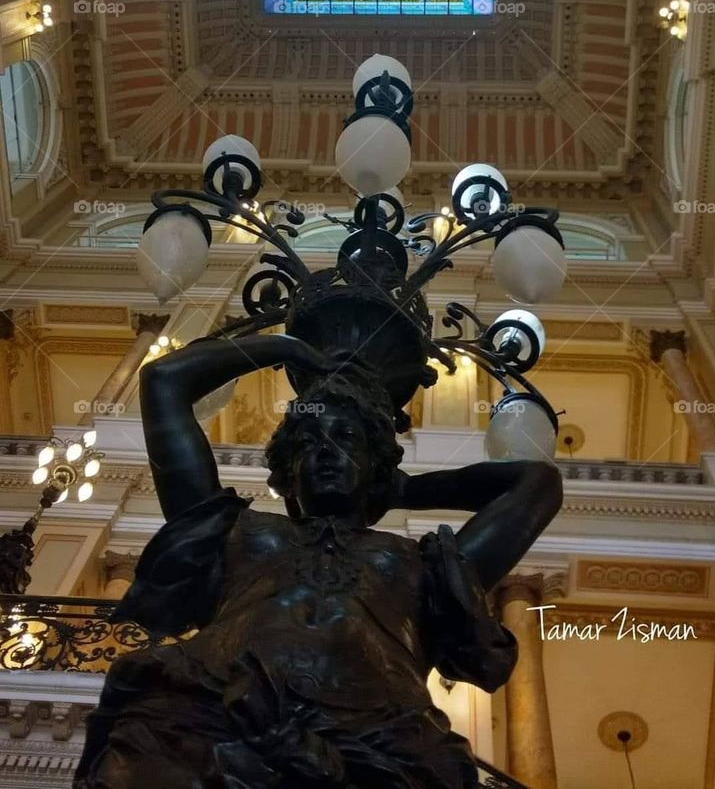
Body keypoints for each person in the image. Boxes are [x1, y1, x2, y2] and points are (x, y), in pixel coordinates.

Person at [74, 332, 563, 789]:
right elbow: (163, 381)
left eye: (347, 438)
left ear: (377, 464)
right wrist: (284, 347)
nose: (325, 451)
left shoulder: (420, 563)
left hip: (379, 746)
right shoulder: (233, 530)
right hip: (211, 718)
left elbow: (538, 484)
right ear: (286, 474)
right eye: (308, 442)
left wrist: (407, 489)